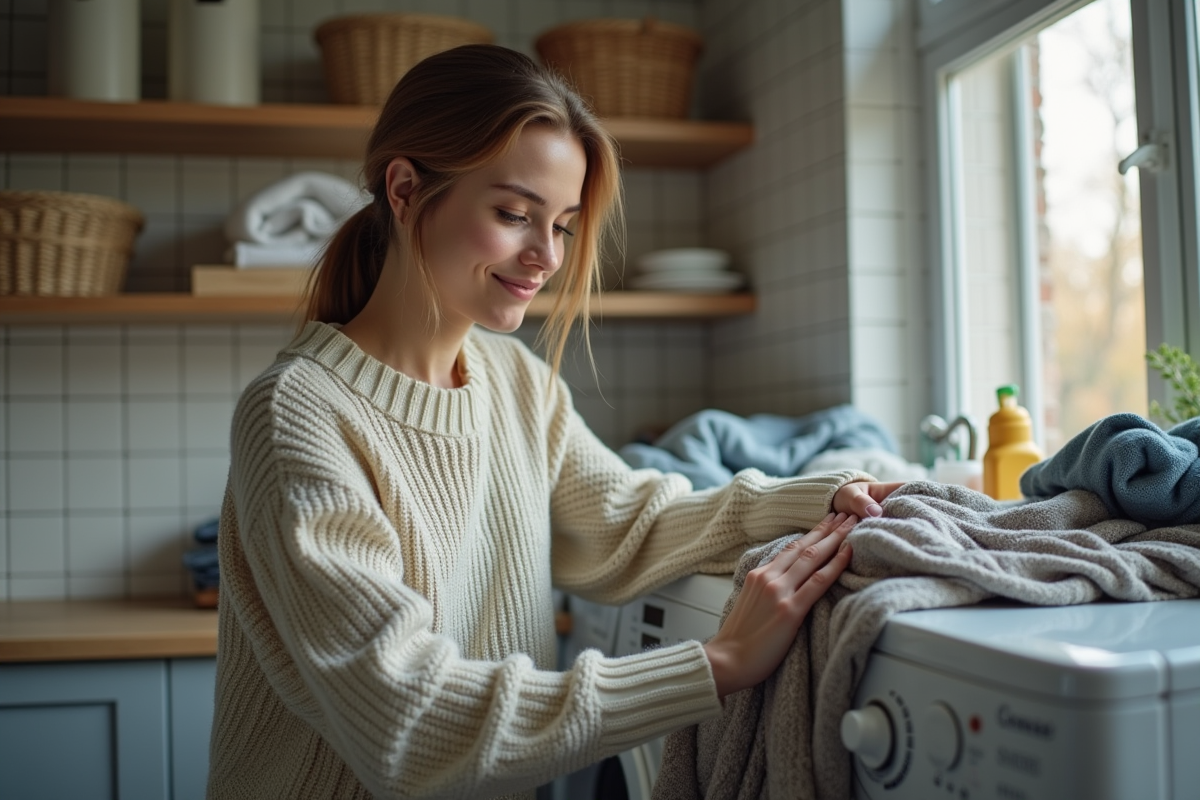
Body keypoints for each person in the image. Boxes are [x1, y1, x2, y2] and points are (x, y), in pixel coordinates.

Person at [207, 44, 902, 800]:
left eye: (563, 225)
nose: (545, 256)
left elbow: (627, 524)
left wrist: (814, 499)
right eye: (514, 215)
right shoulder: (298, 410)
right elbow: (404, 719)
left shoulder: (516, 380)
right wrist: (718, 664)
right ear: (405, 190)